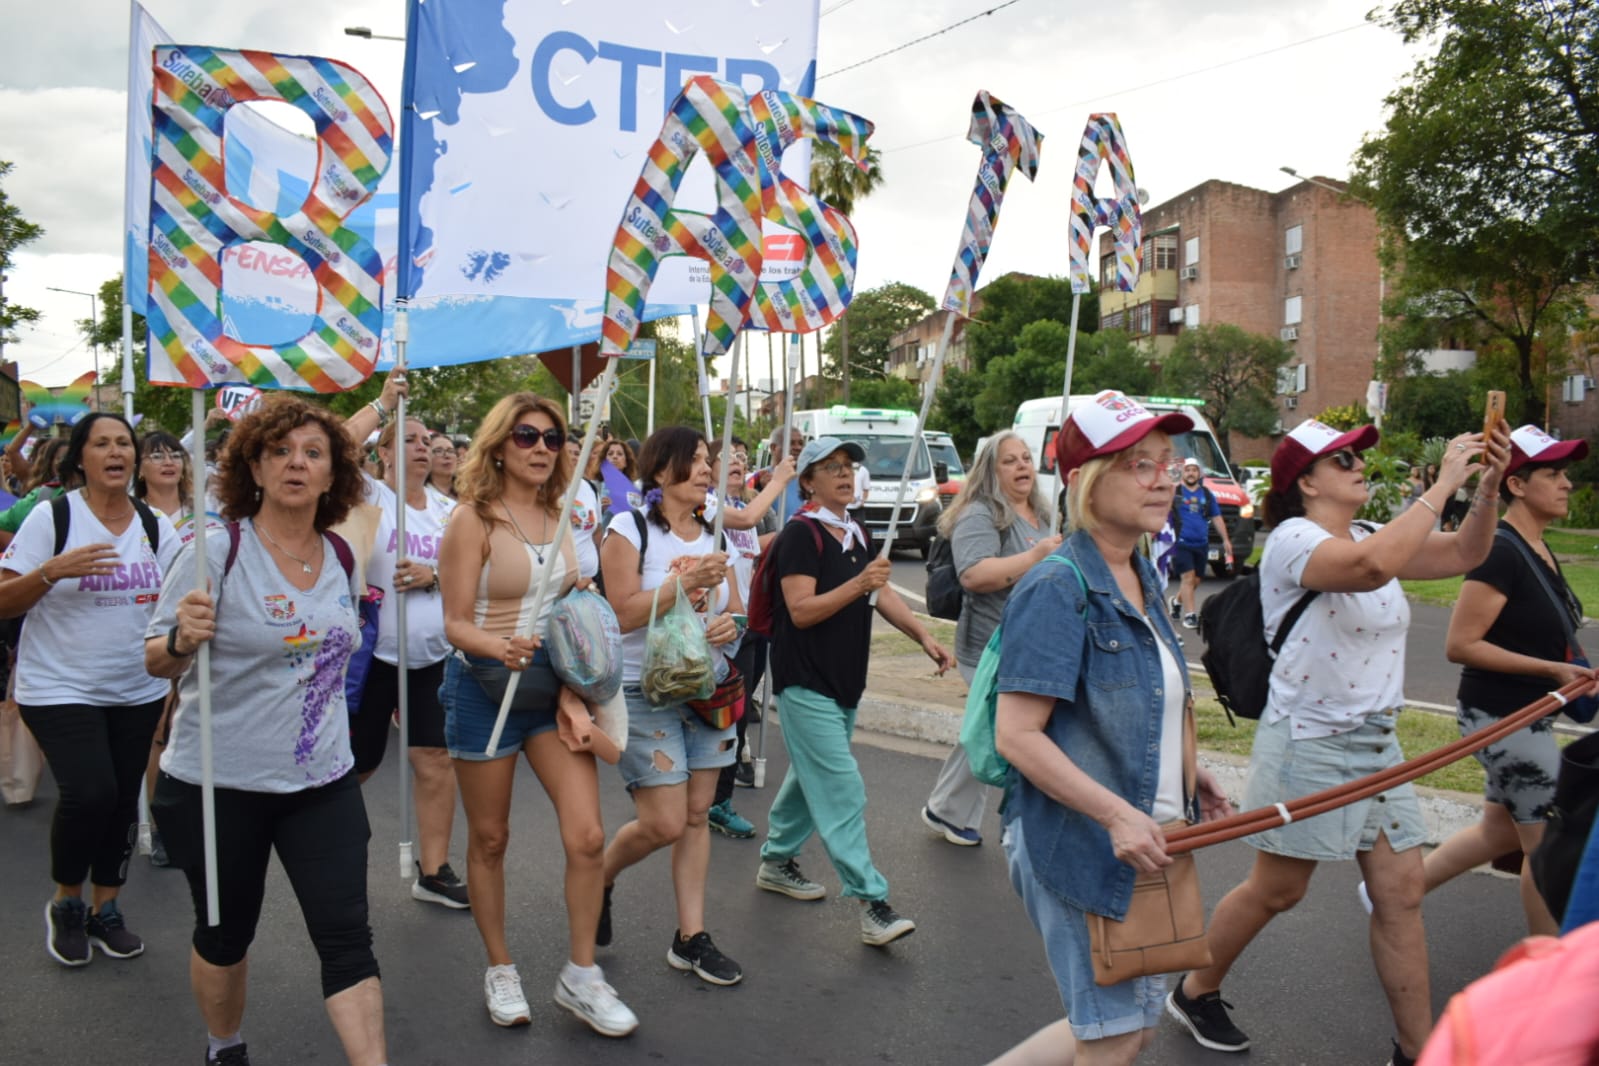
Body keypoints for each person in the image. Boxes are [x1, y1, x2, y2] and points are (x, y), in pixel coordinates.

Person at [1168, 417, 1508, 1066]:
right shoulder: (1293, 540)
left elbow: (1464, 553)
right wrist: (1440, 486)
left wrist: (1487, 489)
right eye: (1343, 459)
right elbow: (1370, 569)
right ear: (1306, 483)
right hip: (1309, 740)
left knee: (1400, 894)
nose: (1358, 466)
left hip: (1378, 744)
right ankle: (1194, 989)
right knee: (1279, 890)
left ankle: (1417, 1051)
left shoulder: (1371, 531)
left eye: (1358, 458)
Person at [987, 391, 1232, 1066]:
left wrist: (1186, 769)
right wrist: (1118, 815)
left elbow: (1141, 702)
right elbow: (1017, 735)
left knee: (1124, 1026)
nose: (1164, 479)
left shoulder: (1138, 571)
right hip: (1081, 842)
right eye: (1138, 465)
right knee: (1114, 1034)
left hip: (1140, 840)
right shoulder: (1057, 587)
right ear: (1084, 482)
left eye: (1167, 461)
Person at [144, 395, 387, 1066]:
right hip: (219, 785)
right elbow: (154, 658)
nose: (296, 464)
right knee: (225, 936)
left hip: (322, 781)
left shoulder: (342, 554)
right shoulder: (214, 549)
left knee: (348, 939)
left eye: (313, 453)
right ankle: (224, 1045)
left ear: (334, 473)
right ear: (253, 468)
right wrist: (180, 638)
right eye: (279, 451)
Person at [437, 393, 636, 1036]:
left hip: (552, 693)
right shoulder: (471, 519)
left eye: (552, 438)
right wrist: (498, 646)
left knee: (587, 836)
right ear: (499, 445)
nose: (542, 448)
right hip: (483, 689)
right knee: (490, 839)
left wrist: (585, 605)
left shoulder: (564, 513)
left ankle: (582, 975)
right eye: (527, 436)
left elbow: (569, 596)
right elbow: (454, 623)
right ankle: (500, 967)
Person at [754, 436, 953, 946]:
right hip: (804, 679)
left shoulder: (854, 530)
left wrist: (924, 637)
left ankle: (776, 861)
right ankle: (872, 903)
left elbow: (880, 591)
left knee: (809, 777)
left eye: (849, 466)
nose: (845, 474)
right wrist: (861, 583)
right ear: (808, 482)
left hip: (844, 680)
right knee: (842, 788)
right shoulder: (801, 534)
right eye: (832, 467)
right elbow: (801, 611)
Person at [0, 412, 178, 967]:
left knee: (123, 798)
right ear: (81, 457)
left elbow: (179, 600)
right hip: (59, 686)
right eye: (101, 443)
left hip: (135, 687)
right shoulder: (53, 518)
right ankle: (67, 902)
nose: (115, 451)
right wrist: (51, 572)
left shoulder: (154, 525)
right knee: (90, 792)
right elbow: (4, 600)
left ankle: (107, 909)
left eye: (124, 443)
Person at [1409, 425, 1598, 935]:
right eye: (1553, 474)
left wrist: (1567, 672)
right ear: (1516, 484)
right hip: (1503, 716)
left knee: (1498, 832)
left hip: (1527, 714)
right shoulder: (1501, 549)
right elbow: (1461, 644)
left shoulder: (1537, 547)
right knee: (1547, 846)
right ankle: (1547, 964)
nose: (1567, 484)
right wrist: (1552, 670)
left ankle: (1392, 897)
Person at [598, 426, 746, 985]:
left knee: (696, 814)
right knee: (663, 822)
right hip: (646, 689)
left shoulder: (715, 535)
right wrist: (684, 586)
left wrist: (729, 624)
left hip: (708, 688)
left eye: (710, 460)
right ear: (662, 471)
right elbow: (620, 614)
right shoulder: (628, 528)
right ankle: (600, 877)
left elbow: (736, 611)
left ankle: (690, 937)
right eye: (697, 460)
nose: (708, 469)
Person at [345, 415, 470, 909]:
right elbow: (338, 444)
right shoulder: (369, 495)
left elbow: (474, 573)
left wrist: (432, 576)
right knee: (359, 764)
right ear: (384, 452)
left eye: (428, 441)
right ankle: (331, 855)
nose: (423, 447)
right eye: (409, 439)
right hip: (372, 656)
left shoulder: (449, 511)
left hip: (433, 655)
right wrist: (381, 406)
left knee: (435, 759)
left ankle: (434, 871)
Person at [920, 432, 1061, 847]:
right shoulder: (980, 514)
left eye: (1026, 458)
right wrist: (1035, 557)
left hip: (1033, 643)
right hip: (989, 647)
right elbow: (974, 575)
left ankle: (945, 809)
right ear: (990, 471)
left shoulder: (1042, 513)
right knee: (1011, 732)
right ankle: (1027, 824)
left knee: (987, 729)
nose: (1022, 466)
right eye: (1009, 461)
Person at [705, 436, 795, 835]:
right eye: (727, 458)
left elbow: (749, 545)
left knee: (738, 716)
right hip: (719, 626)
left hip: (748, 623)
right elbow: (739, 525)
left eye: (742, 457)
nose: (737, 462)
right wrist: (779, 481)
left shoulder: (741, 507)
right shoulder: (707, 507)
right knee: (719, 714)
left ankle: (718, 798)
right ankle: (706, 797)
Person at [133, 428, 194, 868]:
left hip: (198, 632)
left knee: (188, 725)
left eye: (174, 454)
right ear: (140, 468)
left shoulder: (205, 512)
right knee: (160, 730)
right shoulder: (131, 516)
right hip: (150, 634)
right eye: (156, 456)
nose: (168, 461)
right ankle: (160, 825)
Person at [1168, 457, 1229, 629]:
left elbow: (1216, 517)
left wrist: (1226, 540)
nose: (1191, 473)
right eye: (1187, 470)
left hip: (1201, 543)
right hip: (1181, 542)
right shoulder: (1175, 493)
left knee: (1196, 580)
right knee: (1188, 577)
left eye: (1194, 470)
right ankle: (1190, 615)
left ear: (1199, 473)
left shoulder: (1207, 495)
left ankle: (1176, 602)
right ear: (1182, 473)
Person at [426, 432, 458, 501]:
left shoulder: (468, 491)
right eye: (439, 451)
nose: (447, 455)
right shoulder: (420, 494)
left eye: (451, 451)